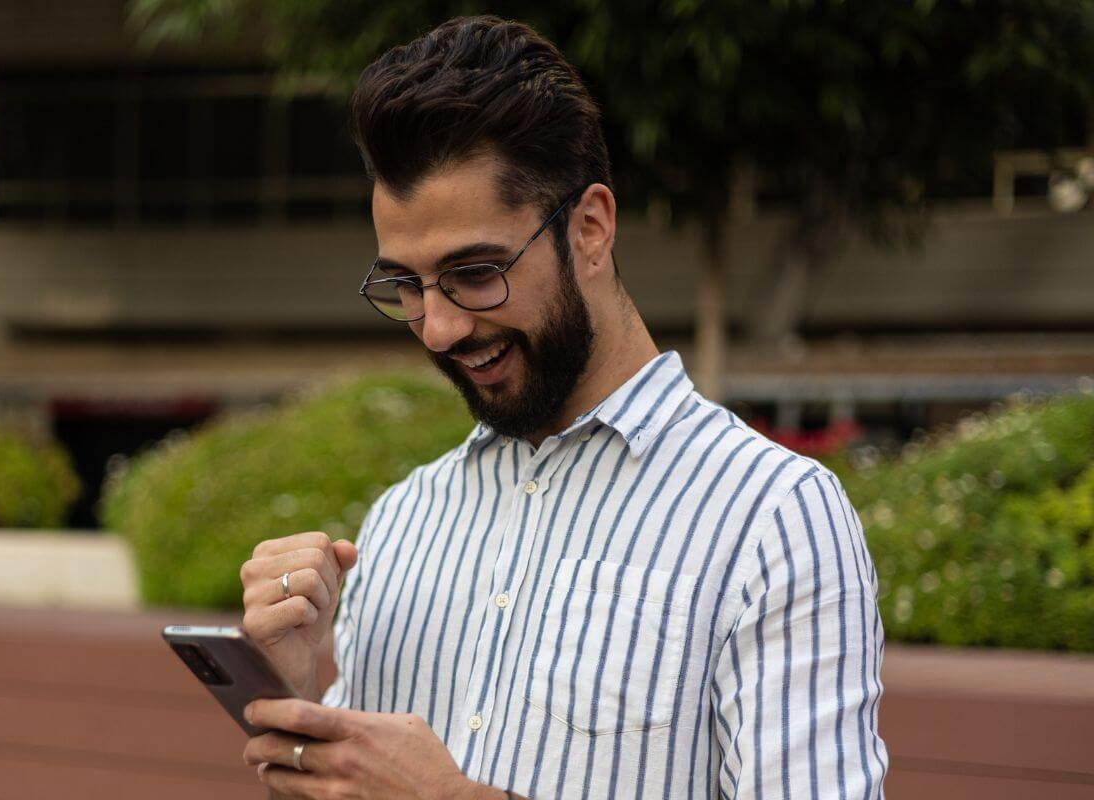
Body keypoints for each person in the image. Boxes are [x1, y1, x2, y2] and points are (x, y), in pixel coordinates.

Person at [236, 15, 887, 800]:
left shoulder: (775, 518)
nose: (439, 327)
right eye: (406, 286)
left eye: (475, 272)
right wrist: (297, 705)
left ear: (589, 228)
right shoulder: (403, 519)